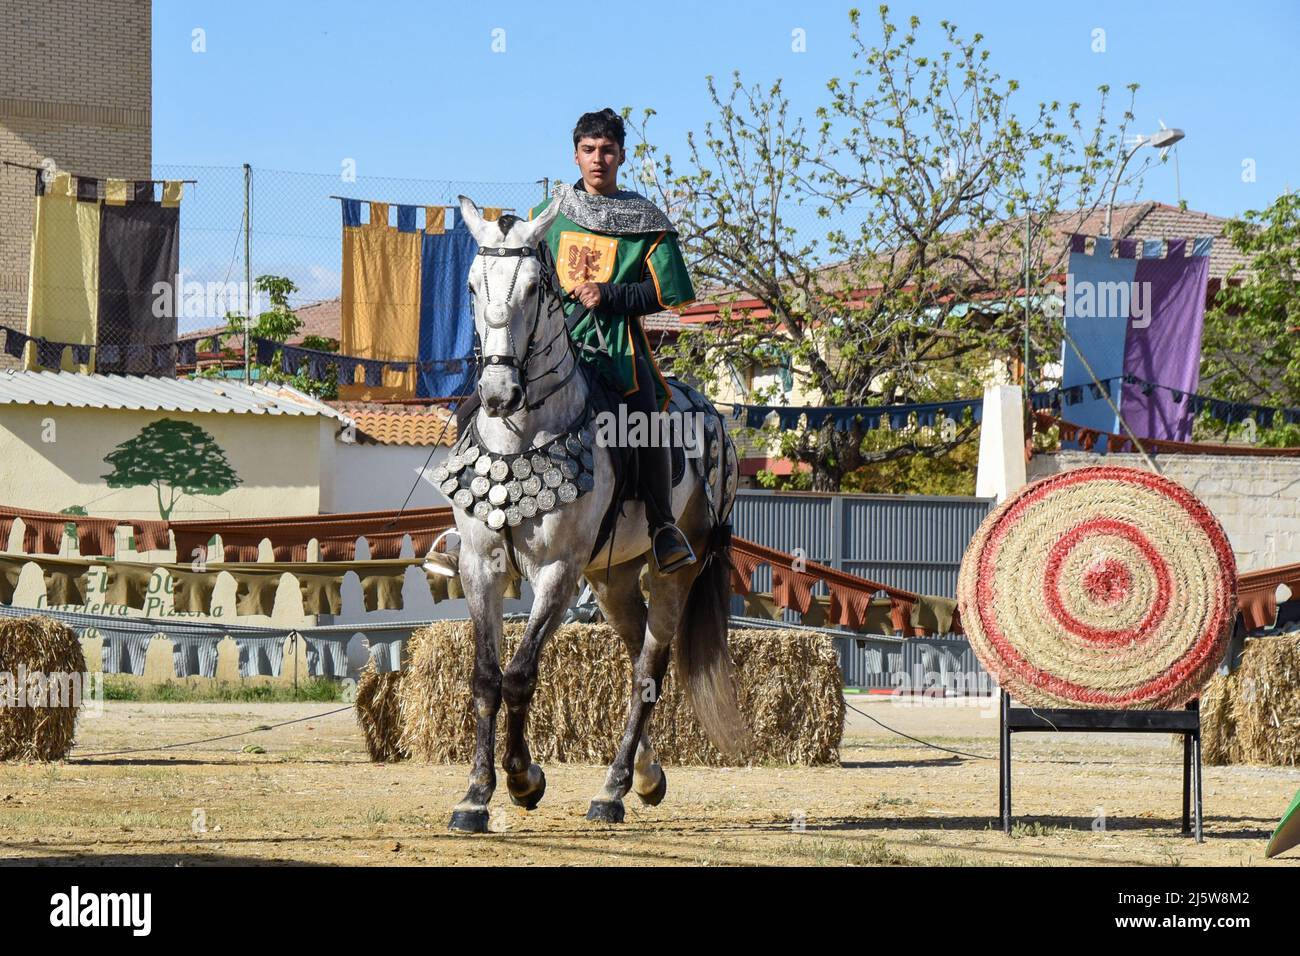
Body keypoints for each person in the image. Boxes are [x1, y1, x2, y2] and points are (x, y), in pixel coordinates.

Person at [529, 108, 697, 574]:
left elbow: (674, 291)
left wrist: (612, 293)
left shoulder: (644, 219)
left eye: (606, 150)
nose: (597, 159)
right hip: (549, 348)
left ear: (622, 155)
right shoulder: (548, 215)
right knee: (487, 397)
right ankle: (464, 522)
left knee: (645, 420)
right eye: (588, 150)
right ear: (575, 156)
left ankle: (664, 528)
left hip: (616, 350)